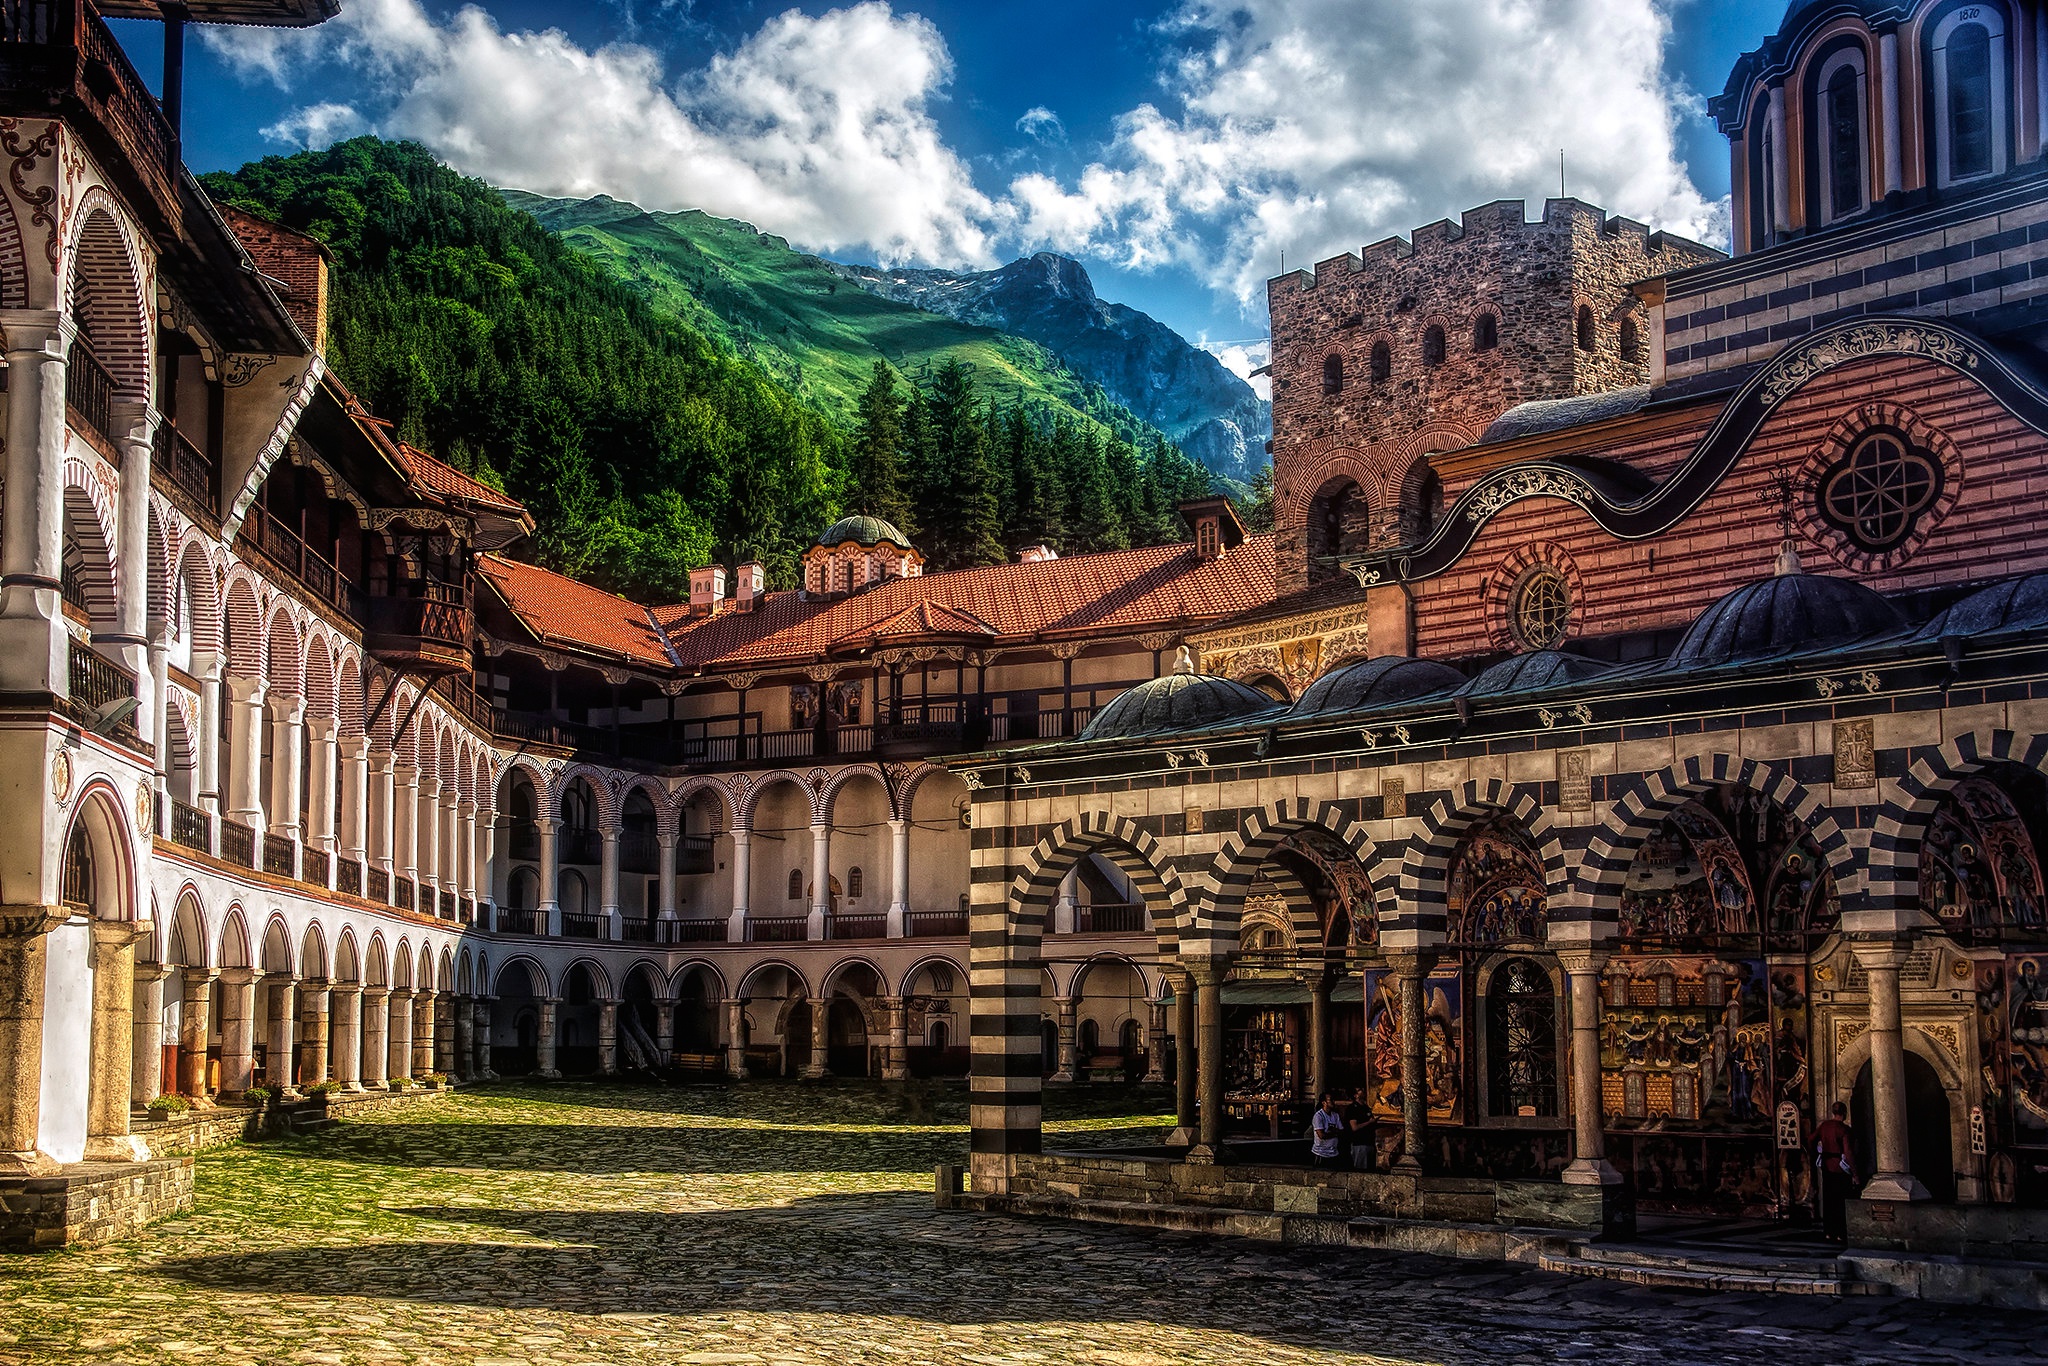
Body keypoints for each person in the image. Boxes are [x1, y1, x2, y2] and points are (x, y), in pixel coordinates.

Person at [1814, 1101, 1856, 1244]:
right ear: (1844, 1113)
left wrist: (1819, 1152)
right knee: (1840, 1201)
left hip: (1827, 1167)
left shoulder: (1824, 1126)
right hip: (1839, 1168)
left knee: (1828, 1200)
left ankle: (1828, 1232)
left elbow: (1811, 1138)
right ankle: (1840, 1233)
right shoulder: (1843, 1130)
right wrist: (1855, 1174)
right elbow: (1848, 1152)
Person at [1310, 1092, 1345, 1170]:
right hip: (1321, 1153)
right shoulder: (1318, 1116)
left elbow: (1342, 1131)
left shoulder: (1335, 1115)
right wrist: (1335, 1133)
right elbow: (1321, 1135)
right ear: (1324, 1103)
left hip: (1333, 1153)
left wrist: (1332, 1132)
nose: (1333, 1102)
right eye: (1330, 1100)